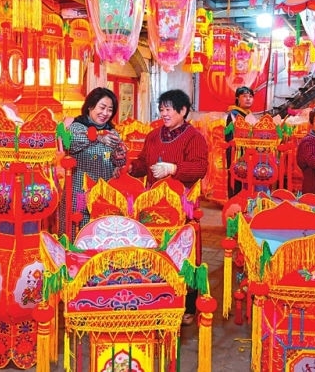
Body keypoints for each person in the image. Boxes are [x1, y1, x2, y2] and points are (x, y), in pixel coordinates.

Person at [122, 89, 208, 326]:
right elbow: (143, 163)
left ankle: (187, 304)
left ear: (183, 110)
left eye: (169, 109)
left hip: (180, 205)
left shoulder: (194, 137)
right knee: (155, 252)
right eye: (161, 109)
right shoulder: (153, 136)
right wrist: (131, 168)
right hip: (152, 206)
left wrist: (174, 169)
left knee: (183, 253)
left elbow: (200, 168)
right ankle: (155, 297)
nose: (164, 113)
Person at [60, 87, 127, 238]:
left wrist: (119, 156)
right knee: (79, 235)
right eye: (102, 107)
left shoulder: (112, 132)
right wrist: (97, 137)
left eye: (110, 110)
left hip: (103, 196)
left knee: (102, 235)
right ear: (90, 106)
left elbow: (120, 162)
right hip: (79, 193)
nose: (105, 113)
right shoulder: (77, 127)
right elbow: (69, 143)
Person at [225, 86, 257, 198]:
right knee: (237, 179)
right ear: (237, 99)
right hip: (237, 152)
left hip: (249, 153)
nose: (248, 99)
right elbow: (230, 137)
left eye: (250, 96)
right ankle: (234, 203)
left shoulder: (249, 114)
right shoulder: (234, 114)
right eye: (244, 96)